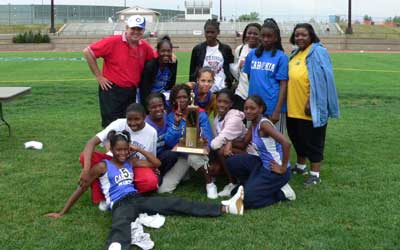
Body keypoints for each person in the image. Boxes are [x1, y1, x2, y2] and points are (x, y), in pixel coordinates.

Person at [45, 130, 245, 250]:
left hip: (137, 198)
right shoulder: (103, 166)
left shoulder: (131, 161)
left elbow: (156, 162)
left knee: (174, 203)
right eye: (118, 150)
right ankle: (115, 246)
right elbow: (81, 188)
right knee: (121, 223)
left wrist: (138, 150)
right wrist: (62, 212)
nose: (122, 153)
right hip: (120, 203)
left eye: (125, 149)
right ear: (111, 150)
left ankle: (225, 208)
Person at [79, 103, 159, 211]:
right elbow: (91, 143)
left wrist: (140, 152)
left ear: (145, 117)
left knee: (150, 182)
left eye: (137, 119)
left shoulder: (152, 132)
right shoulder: (118, 123)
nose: (132, 123)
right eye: (129, 119)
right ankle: (103, 196)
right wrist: (86, 170)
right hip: (113, 162)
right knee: (85, 157)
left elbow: (152, 159)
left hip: (133, 164)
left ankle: (128, 193)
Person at [287, 23, 339, 187]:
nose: (300, 38)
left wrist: (311, 100)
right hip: (292, 107)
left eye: (304, 35)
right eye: (297, 35)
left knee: (314, 140)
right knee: (297, 138)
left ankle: (315, 174)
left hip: (310, 107)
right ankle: (301, 166)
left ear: (311, 36)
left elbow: (324, 78)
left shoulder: (318, 51)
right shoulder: (295, 53)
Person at [223, 95, 296, 209]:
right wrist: (229, 142)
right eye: (246, 108)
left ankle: (283, 193)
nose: (248, 111)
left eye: (252, 108)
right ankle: (249, 185)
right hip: (263, 164)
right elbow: (243, 144)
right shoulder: (253, 123)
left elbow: (286, 144)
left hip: (275, 170)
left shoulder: (264, 125)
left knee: (245, 201)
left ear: (261, 109)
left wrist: (283, 168)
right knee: (232, 162)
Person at [83, 15, 156, 128]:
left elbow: (155, 58)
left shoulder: (144, 46)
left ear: (143, 30)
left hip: (131, 92)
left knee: (127, 123)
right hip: (112, 90)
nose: (136, 32)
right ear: (126, 28)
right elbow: (88, 52)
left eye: (139, 29)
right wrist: (99, 76)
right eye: (133, 28)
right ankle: (109, 144)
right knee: (111, 125)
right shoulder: (113, 41)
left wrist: (170, 54)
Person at [158, 84, 217, 199]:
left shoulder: (199, 113)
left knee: (193, 157)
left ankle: (210, 183)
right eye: (178, 98)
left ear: (190, 98)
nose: (182, 100)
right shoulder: (171, 116)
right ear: (174, 100)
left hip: (197, 153)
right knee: (163, 189)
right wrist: (176, 124)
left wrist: (200, 137)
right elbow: (169, 142)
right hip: (182, 155)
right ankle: (186, 173)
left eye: (184, 97)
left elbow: (207, 138)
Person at [243, 18, 288, 133]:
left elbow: (283, 85)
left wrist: (277, 110)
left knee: (274, 142)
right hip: (253, 107)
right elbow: (250, 77)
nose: (266, 39)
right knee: (253, 141)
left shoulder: (281, 57)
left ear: (276, 38)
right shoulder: (252, 54)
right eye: (263, 36)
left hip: (272, 106)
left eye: (269, 36)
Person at [209, 88, 247, 197]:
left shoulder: (234, 117)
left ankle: (233, 183)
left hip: (247, 152)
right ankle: (225, 174)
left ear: (231, 104)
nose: (221, 105)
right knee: (214, 169)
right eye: (219, 101)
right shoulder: (218, 117)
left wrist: (227, 142)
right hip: (231, 150)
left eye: (225, 102)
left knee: (221, 151)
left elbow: (215, 144)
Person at [189, 19, 234, 92]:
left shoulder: (226, 49)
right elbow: (192, 72)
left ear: (218, 32)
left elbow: (231, 69)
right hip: (203, 91)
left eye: (212, 32)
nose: (209, 35)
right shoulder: (197, 49)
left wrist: (228, 82)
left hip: (221, 90)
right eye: (207, 32)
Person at [144, 93, 179, 179]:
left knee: (171, 155)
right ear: (148, 108)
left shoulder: (166, 115)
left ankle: (162, 173)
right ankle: (158, 174)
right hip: (152, 157)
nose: (158, 109)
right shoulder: (146, 125)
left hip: (165, 151)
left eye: (160, 105)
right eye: (154, 107)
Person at [230, 23, 261, 111]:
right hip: (241, 94)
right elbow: (236, 69)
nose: (252, 36)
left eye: (255, 34)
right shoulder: (239, 49)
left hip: (257, 96)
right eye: (249, 33)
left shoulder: (263, 52)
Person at [140, 35, 177, 106]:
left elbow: (171, 85)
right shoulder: (150, 66)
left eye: (168, 51)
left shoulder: (173, 63)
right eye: (163, 51)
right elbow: (144, 91)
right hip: (149, 97)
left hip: (163, 96)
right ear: (158, 51)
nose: (166, 54)